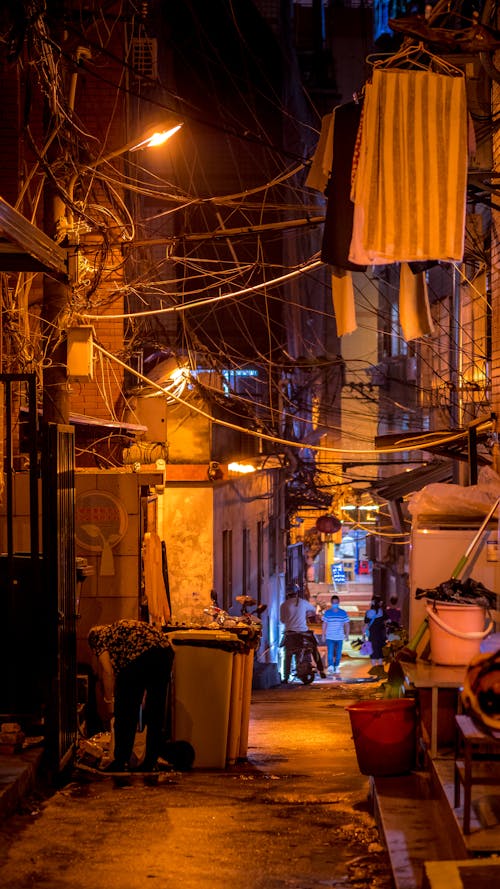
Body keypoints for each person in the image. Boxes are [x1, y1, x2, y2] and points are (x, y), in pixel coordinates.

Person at [88, 619, 174, 772]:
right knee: (155, 712)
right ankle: (150, 761)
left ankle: (120, 761)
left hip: (139, 657)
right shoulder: (118, 628)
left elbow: (108, 671)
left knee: (125, 712)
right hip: (165, 652)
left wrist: (109, 701)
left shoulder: (100, 637)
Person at [279, 587, 326, 682]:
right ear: (297, 594)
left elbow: (283, 620)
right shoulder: (303, 602)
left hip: (290, 633)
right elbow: (313, 611)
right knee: (314, 649)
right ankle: (321, 670)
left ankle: (286, 677)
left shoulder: (284, 605)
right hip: (304, 632)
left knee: (287, 655)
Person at [321, 594, 350, 676]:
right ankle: (330, 666)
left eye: (336, 602)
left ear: (339, 602)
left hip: (339, 636)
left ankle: (336, 666)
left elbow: (347, 624)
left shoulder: (343, 613)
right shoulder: (327, 613)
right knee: (330, 652)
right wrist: (323, 635)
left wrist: (347, 635)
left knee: (338, 653)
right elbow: (324, 624)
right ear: (331, 603)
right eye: (333, 602)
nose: (335, 604)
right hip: (330, 636)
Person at [364, 596, 387, 675]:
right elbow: (386, 622)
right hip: (381, 636)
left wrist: (363, 636)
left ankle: (374, 671)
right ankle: (380, 671)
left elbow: (366, 625)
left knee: (373, 653)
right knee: (380, 653)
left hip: (372, 636)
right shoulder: (382, 612)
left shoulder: (368, 613)